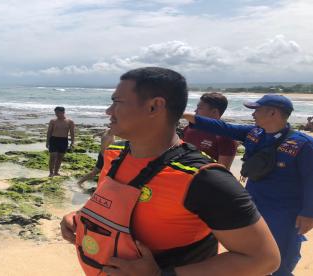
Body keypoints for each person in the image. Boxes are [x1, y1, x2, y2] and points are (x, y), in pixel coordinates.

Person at [60, 67, 280, 276]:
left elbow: (264, 259)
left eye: (117, 102)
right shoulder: (115, 154)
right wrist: (80, 219)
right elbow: (114, 208)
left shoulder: (203, 178)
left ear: (154, 107)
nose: (109, 111)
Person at [183, 94, 313, 276]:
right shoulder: (254, 134)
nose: (253, 114)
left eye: (257, 110)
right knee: (253, 254)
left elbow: (311, 180)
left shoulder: (303, 144)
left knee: (282, 260)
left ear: (273, 113)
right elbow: (222, 127)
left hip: (285, 212)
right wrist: (182, 113)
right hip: (253, 205)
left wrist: (309, 213)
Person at [183, 92, 237, 169]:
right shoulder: (189, 129)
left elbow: (223, 171)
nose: (195, 111)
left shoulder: (225, 137)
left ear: (214, 112)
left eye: (200, 108)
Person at [46, 106, 75, 177]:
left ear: (63, 112)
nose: (56, 114)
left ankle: (56, 172)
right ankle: (51, 172)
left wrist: (73, 142)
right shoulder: (53, 121)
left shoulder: (70, 121)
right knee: (53, 156)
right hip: (54, 140)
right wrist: (47, 141)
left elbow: (72, 132)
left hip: (64, 140)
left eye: (58, 113)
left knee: (60, 157)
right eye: (55, 113)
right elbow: (49, 131)